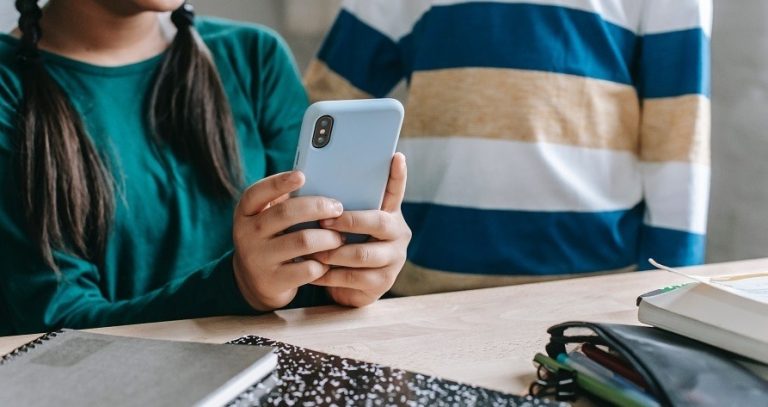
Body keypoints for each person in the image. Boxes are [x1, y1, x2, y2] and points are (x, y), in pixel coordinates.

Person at [0, 0, 411, 335]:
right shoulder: (9, 85)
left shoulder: (255, 57)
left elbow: (304, 281)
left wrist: (347, 277)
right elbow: (54, 328)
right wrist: (239, 287)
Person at [306, 0, 712, 295]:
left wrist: (670, 293)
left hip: (593, 291)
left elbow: (678, 138)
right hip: (425, 287)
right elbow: (321, 109)